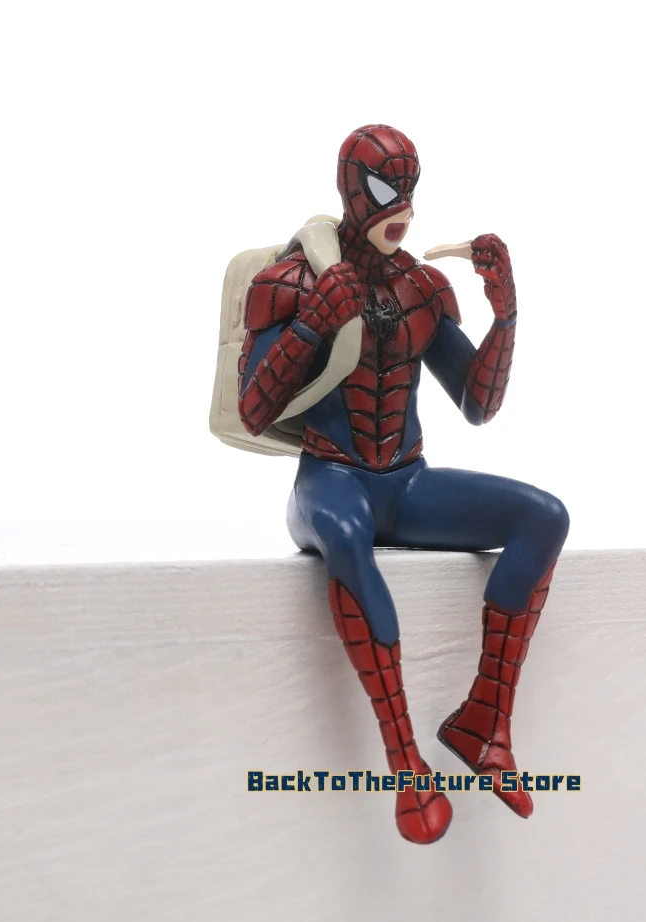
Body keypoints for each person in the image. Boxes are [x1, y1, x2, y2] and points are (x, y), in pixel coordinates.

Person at [238, 125, 569, 844]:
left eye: (411, 189)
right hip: (329, 479)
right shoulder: (291, 282)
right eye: (388, 189)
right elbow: (252, 412)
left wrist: (505, 316)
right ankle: (406, 768)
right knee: (347, 535)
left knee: (544, 517)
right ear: (351, 190)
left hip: (406, 482)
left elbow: (477, 403)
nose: (404, 208)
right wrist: (310, 326)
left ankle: (485, 721)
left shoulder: (421, 287)